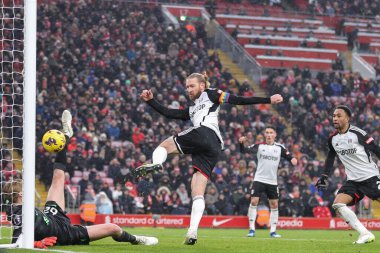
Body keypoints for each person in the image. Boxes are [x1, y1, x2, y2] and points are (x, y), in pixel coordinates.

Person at [134, 72, 283, 245]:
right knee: (197, 191)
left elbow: (238, 99)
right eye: (187, 86)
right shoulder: (192, 109)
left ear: (202, 86)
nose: (188, 89)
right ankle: (192, 232)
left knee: (164, 146)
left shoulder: (211, 93)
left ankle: (156, 164)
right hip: (212, 148)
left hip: (205, 133)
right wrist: (151, 101)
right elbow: (169, 113)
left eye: (192, 86)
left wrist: (268, 100)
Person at [3, 110, 158, 248]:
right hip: (65, 233)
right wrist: (37, 243)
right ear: (20, 196)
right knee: (113, 228)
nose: (29, 189)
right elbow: (16, 242)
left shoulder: (20, 208)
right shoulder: (17, 213)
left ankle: (66, 137)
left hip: (52, 216)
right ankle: (137, 239)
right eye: (24, 189)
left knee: (58, 176)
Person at [316, 105, 380, 244]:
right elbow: (330, 157)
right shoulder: (333, 139)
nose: (335, 118)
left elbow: (376, 149)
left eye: (339, 116)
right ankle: (365, 234)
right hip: (353, 181)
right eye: (334, 116)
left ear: (348, 118)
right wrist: (325, 176)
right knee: (338, 204)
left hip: (370, 177)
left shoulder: (358, 134)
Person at [239, 126, 297, 238]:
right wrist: (241, 143)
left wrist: (293, 160)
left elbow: (288, 155)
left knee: (274, 204)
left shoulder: (280, 148)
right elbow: (244, 151)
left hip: (272, 181)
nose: (269, 135)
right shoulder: (259, 146)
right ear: (265, 135)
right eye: (267, 133)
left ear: (275, 135)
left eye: (271, 132)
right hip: (259, 179)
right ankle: (251, 230)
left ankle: (273, 231)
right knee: (254, 201)